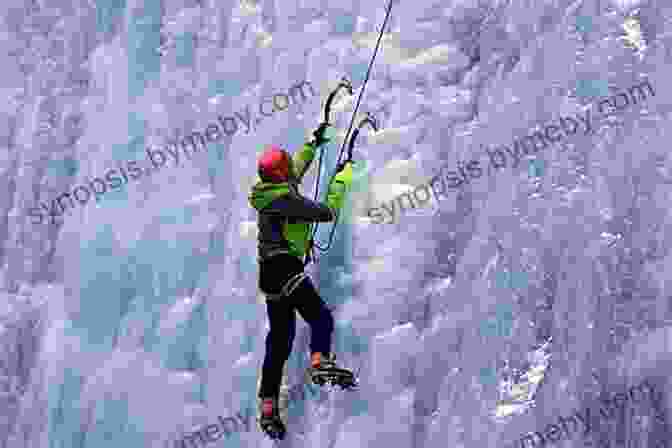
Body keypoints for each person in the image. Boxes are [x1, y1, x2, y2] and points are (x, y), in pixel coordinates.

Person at [248, 123, 356, 439]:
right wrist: (342, 177)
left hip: (269, 275)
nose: (291, 171)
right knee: (319, 316)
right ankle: (319, 361)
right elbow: (325, 212)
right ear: (280, 174)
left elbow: (296, 169)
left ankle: (268, 406)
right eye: (287, 168)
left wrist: (313, 143)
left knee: (280, 341)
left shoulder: (269, 193)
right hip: (285, 268)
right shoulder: (285, 199)